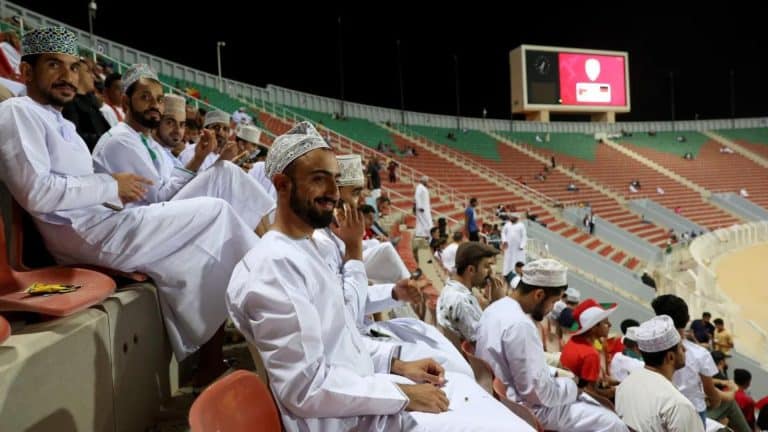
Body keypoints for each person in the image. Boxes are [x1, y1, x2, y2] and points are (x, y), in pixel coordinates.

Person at [226, 123, 535, 432]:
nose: (333, 193)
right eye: (319, 180)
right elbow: (306, 390)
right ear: (282, 185)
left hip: (363, 397)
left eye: (336, 180)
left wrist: (394, 365)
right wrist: (401, 393)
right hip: (341, 421)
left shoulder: (303, 250)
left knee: (466, 391)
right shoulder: (273, 267)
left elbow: (342, 342)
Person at [0, 27, 261, 385]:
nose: (67, 76)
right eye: (53, 65)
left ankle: (248, 316)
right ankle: (275, 294)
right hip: (80, 234)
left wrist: (111, 192)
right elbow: (36, 193)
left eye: (73, 67)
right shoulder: (18, 112)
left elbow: (79, 188)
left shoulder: (61, 123)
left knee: (207, 237)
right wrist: (111, 185)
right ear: (26, 72)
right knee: (216, 212)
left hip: (102, 222)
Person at [476, 259, 628, 432]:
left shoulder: (495, 309)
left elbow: (517, 368)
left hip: (503, 395)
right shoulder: (521, 325)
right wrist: (575, 386)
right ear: (539, 295)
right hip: (524, 407)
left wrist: (556, 374)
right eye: (554, 302)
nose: (552, 309)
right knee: (613, 423)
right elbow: (538, 394)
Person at [615, 315, 704, 432]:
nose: (685, 350)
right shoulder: (677, 405)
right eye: (680, 347)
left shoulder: (625, 384)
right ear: (670, 357)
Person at [437, 242, 506, 342]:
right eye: (486, 266)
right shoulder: (461, 301)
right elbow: (489, 343)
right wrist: (499, 303)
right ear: (471, 270)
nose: (491, 273)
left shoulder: (450, 288)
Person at [560, 299, 619, 400]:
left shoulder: (574, 341)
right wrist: (616, 392)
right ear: (593, 328)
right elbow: (589, 393)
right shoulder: (590, 354)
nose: (610, 325)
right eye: (605, 322)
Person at [501, 213, 526, 283]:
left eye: (513, 218)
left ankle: (518, 275)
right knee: (508, 261)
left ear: (516, 218)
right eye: (511, 217)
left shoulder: (521, 225)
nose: (512, 219)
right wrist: (504, 241)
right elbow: (503, 233)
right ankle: (506, 275)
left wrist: (522, 245)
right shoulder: (507, 225)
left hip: (518, 248)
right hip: (509, 247)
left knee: (517, 261)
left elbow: (524, 236)